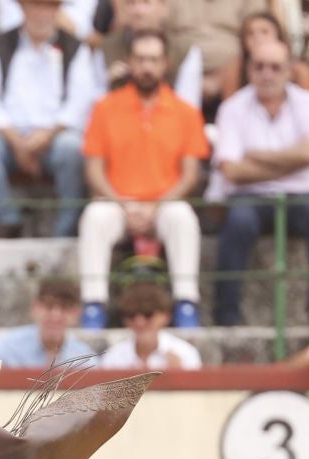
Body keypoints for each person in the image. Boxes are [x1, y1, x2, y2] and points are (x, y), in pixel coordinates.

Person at [76, 31, 208, 329]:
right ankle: (93, 306)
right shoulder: (105, 107)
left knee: (183, 216)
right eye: (140, 59)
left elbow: (191, 173)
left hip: (165, 203)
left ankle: (186, 304)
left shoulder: (186, 112)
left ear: (165, 64)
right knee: (94, 216)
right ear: (130, 62)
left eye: (153, 59)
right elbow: (94, 168)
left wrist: (156, 206)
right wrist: (121, 203)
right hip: (117, 202)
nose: (146, 67)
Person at [209, 38, 309, 325]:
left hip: (301, 196)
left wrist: (255, 157)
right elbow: (231, 171)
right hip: (249, 197)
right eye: (259, 66)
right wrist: (290, 163)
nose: (267, 74)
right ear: (248, 69)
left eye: (275, 67)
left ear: (290, 70)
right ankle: (227, 316)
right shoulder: (232, 107)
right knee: (238, 223)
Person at [0, 0, 98, 237]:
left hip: (55, 139)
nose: (42, 14)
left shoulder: (76, 49)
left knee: (74, 146)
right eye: (36, 6)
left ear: (58, 10)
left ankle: (65, 229)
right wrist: (16, 141)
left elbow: (80, 104)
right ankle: (7, 219)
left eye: (49, 7)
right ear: (22, 8)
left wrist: (47, 135)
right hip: (8, 140)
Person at [99, 0, 205, 109]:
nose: (138, 11)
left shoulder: (185, 51)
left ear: (163, 8)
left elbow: (189, 108)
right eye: (131, 3)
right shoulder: (108, 47)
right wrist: (109, 84)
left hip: (168, 121)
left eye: (146, 3)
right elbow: (93, 105)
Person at [0, 276, 96, 366]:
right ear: (34, 307)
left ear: (76, 313)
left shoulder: (86, 359)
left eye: (65, 307)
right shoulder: (4, 349)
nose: (55, 315)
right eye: (48, 306)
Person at [97, 278, 202, 367]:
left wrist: (177, 376)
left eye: (148, 314)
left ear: (166, 316)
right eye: (131, 315)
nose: (139, 322)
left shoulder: (185, 353)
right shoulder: (114, 357)